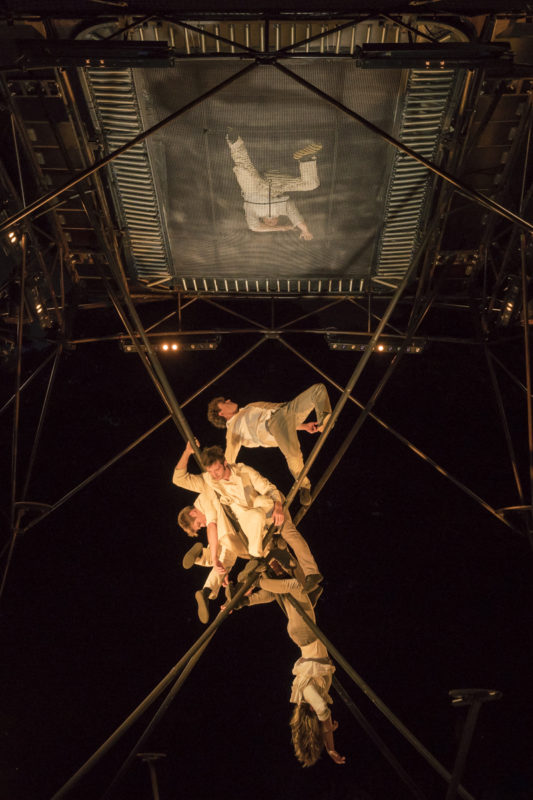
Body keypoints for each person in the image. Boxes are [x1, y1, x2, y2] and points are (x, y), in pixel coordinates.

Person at [172, 443, 322, 595]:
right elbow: (179, 478)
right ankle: (256, 559)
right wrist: (187, 452)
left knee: (288, 532)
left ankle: (312, 574)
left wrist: (278, 507)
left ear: (225, 463)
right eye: (210, 472)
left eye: (217, 470)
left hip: (269, 509)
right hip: (251, 522)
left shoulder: (244, 471)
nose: (214, 475)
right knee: (255, 522)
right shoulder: (210, 481)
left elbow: (268, 488)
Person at [228, 573, 345, 767]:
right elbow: (323, 715)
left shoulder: (308, 695)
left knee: (295, 586)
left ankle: (254, 580)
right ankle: (245, 601)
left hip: (306, 636)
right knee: (281, 592)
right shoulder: (311, 695)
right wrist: (328, 741)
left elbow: (323, 711)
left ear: (311, 711)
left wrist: (330, 745)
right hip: (303, 636)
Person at [207, 383, 332, 507]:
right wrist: (218, 479)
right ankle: (304, 485)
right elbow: (228, 458)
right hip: (273, 425)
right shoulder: (232, 430)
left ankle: (324, 421)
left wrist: (304, 426)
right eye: (224, 403)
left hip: (286, 410)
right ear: (221, 413)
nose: (228, 400)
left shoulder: (248, 407)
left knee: (318, 390)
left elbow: (276, 414)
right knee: (294, 454)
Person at [174, 442, 251, 623]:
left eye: (197, 524)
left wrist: (215, 557)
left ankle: (202, 560)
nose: (200, 526)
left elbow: (211, 526)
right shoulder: (204, 491)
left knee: (224, 560)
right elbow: (178, 478)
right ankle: (205, 584)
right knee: (222, 563)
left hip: (227, 532)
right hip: (227, 531)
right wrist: (187, 452)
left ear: (193, 513)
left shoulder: (205, 498)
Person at [226, 129, 321, 239]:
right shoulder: (282, 210)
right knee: (312, 184)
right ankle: (306, 158)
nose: (271, 223)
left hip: (254, 188)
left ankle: (234, 140)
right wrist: (305, 230)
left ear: (262, 220)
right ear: (278, 219)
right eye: (274, 223)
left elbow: (254, 227)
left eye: (267, 223)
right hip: (277, 185)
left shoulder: (253, 212)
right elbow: (296, 217)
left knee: (244, 170)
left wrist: (279, 228)